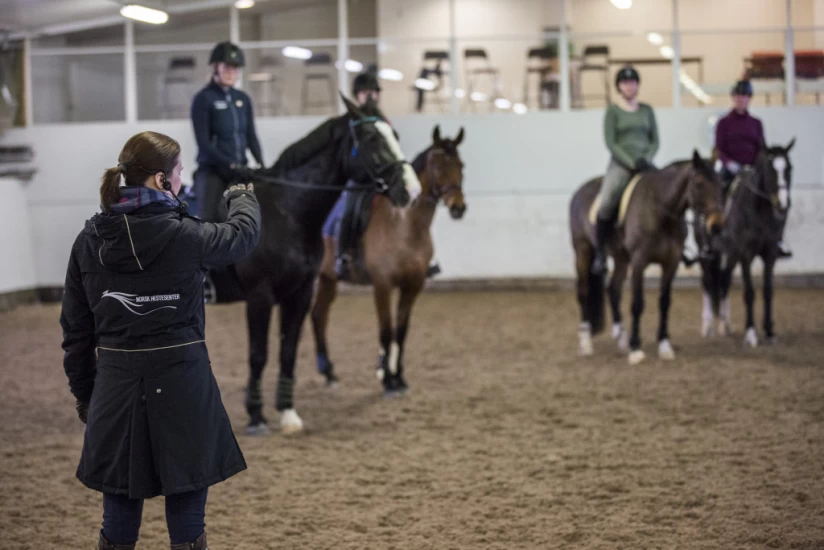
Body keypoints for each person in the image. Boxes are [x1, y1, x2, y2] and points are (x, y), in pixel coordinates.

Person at [59, 131, 261, 549]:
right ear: (160, 180)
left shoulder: (88, 242)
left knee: (117, 520)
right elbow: (240, 237)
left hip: (115, 389)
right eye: (179, 171)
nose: (183, 179)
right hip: (183, 384)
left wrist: (86, 397)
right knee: (187, 518)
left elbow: (76, 334)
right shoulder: (187, 236)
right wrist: (242, 198)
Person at [334, 71, 440, 280]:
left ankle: (425, 257)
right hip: (360, 181)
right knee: (349, 213)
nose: (371, 96)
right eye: (366, 93)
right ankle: (343, 256)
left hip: (383, 180)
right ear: (357, 95)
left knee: (413, 208)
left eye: (374, 92)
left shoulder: (383, 120)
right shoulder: (352, 121)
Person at [593, 65, 659, 274]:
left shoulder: (647, 110)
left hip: (645, 163)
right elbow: (610, 142)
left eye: (632, 82)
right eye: (625, 83)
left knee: (668, 194)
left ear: (638, 85)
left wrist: (646, 158)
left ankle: (674, 244)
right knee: (607, 201)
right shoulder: (612, 111)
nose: (629, 86)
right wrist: (630, 162)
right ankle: (600, 253)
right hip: (621, 164)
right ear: (619, 87)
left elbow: (655, 140)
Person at [715, 79, 791, 258]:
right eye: (738, 96)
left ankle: (776, 238)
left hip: (753, 169)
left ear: (749, 99)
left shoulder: (756, 123)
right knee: (719, 191)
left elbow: (761, 148)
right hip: (731, 168)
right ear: (733, 98)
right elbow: (719, 149)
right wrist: (731, 165)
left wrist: (756, 166)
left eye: (745, 96)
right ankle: (722, 231)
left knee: (777, 195)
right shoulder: (723, 123)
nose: (741, 99)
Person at [191, 41, 263, 222]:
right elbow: (204, 143)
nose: (232, 73)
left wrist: (262, 164)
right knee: (208, 217)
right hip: (214, 171)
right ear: (216, 67)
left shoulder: (243, 99)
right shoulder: (203, 99)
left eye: (236, 68)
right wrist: (230, 164)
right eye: (227, 67)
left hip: (240, 170)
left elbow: (251, 136)